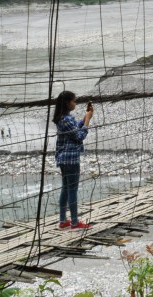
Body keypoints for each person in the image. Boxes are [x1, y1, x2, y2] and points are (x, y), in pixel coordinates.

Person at [52, 90, 93, 230]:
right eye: (73, 101)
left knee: (65, 188)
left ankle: (63, 220)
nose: (75, 103)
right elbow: (80, 136)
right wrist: (87, 121)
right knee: (72, 190)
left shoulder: (62, 118)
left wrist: (85, 117)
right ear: (67, 103)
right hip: (71, 159)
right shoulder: (67, 119)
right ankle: (75, 222)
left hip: (63, 158)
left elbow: (74, 130)